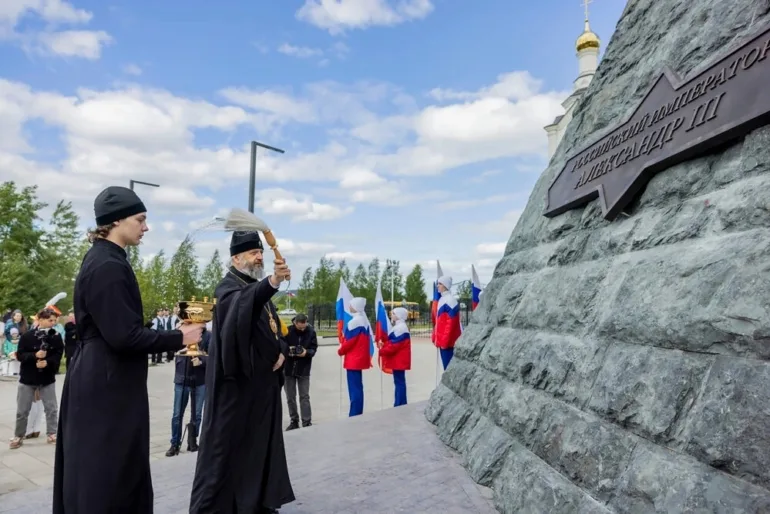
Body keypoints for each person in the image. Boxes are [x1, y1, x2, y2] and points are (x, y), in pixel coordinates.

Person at [52, 186, 203, 514]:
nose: (145, 227)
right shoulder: (107, 265)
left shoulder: (105, 259)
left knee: (104, 469)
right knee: (109, 474)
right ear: (116, 220)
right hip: (107, 383)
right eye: (140, 219)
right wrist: (179, 337)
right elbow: (124, 336)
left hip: (103, 376)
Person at [190, 231, 295, 514]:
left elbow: (274, 329)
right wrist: (272, 282)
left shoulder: (255, 289)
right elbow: (243, 307)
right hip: (237, 391)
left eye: (260, 252)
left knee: (260, 449)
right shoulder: (228, 289)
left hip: (262, 390)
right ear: (236, 258)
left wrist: (281, 349)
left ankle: (259, 503)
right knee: (229, 452)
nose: (259, 257)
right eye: (252, 253)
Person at [9, 308, 64, 449]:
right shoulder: (27, 336)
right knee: (22, 410)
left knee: (51, 408)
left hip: (47, 378)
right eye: (50, 320)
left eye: (54, 320)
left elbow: (58, 354)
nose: (53, 323)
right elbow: (20, 355)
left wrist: (48, 362)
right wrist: (34, 356)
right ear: (40, 320)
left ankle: (52, 433)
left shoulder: (56, 336)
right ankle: (18, 435)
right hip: (28, 378)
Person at [166, 328, 210, 457]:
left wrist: (201, 361)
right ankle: (175, 443)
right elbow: (170, 350)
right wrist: (178, 349)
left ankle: (192, 440)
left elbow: (213, 356)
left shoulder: (208, 336)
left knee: (197, 414)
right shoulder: (182, 331)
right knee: (177, 414)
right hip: (182, 378)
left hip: (199, 380)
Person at [338, 297, 372, 417]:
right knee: (358, 387)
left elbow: (349, 342)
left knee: (354, 388)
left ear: (356, 307)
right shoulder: (364, 320)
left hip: (353, 359)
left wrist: (341, 351)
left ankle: (354, 413)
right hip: (360, 358)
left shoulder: (354, 322)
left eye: (351, 305)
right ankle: (358, 411)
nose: (349, 307)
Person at [283, 313, 318, 430]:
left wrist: (306, 352)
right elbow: (281, 345)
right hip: (288, 368)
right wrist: (288, 350)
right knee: (290, 397)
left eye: (304, 326)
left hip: (304, 369)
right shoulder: (287, 331)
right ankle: (294, 420)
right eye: (300, 327)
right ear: (295, 323)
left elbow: (314, 349)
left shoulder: (311, 332)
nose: (303, 329)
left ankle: (306, 421)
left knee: (304, 396)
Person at [377, 307, 412, 407]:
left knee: (399, 382)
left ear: (399, 316)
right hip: (399, 360)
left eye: (393, 313)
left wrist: (382, 351)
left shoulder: (400, 328)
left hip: (399, 360)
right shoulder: (400, 327)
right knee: (399, 381)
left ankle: (399, 403)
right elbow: (393, 343)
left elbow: (394, 346)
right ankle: (401, 402)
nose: (391, 315)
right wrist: (384, 345)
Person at [434, 275, 461, 370]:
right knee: (446, 368)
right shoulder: (442, 299)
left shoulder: (450, 300)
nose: (437, 286)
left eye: (440, 284)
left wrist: (445, 341)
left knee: (449, 369)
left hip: (449, 343)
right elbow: (439, 322)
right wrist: (435, 337)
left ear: (445, 285)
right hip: (444, 342)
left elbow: (450, 324)